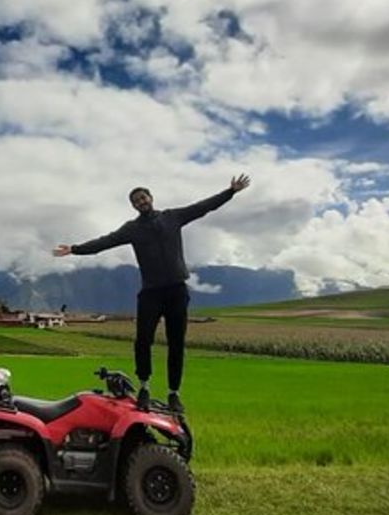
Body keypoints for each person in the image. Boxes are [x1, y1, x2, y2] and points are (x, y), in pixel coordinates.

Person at [53, 175, 250, 413]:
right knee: (142, 341)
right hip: (151, 293)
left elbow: (203, 207)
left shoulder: (172, 217)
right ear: (133, 205)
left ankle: (173, 394)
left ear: (151, 198)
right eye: (136, 201)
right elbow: (104, 242)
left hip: (177, 290)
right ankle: (144, 387)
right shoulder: (132, 229)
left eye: (143, 197)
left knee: (176, 344)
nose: (141, 202)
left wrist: (230, 192)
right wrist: (75, 249)